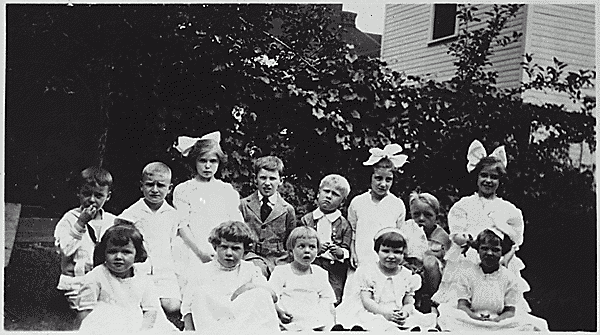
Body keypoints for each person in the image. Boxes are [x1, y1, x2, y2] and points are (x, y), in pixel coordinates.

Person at [432, 140, 531, 313]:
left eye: (494, 177)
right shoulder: (464, 205)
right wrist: (465, 239)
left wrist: (506, 259)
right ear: (476, 176)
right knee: (459, 305)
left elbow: (516, 241)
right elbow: (456, 234)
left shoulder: (509, 210)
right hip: (468, 257)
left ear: (500, 181)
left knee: (502, 305)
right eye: (484, 175)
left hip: (498, 259)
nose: (488, 180)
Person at [436, 229, 548, 331]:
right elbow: (462, 305)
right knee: (447, 314)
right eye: (484, 248)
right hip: (471, 318)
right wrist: (476, 318)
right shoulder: (466, 274)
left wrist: (496, 321)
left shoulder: (510, 278)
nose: (489, 253)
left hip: (500, 320)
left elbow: (509, 311)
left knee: (530, 323)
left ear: (502, 252)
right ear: (478, 250)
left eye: (495, 250)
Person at [180, 220, 280, 332]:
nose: (228, 253)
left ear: (245, 250)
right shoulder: (201, 271)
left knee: (260, 293)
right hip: (212, 325)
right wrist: (190, 331)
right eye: (224, 247)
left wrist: (248, 287)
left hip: (242, 324)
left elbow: (272, 295)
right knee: (200, 293)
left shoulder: (250, 269)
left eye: (235, 248)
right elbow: (187, 307)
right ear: (215, 247)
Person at [77, 224, 176, 332]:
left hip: (137, 322)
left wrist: (144, 330)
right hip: (105, 323)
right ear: (104, 253)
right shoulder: (96, 276)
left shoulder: (143, 278)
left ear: (137, 254)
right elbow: (85, 311)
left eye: (126, 252)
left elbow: (151, 309)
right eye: (112, 251)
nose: (118, 257)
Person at [335, 228, 437, 332]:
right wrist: (384, 313)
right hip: (375, 311)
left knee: (417, 323)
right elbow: (366, 300)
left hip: (396, 312)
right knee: (377, 323)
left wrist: (404, 313)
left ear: (403, 254)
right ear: (377, 251)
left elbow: (408, 302)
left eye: (397, 252)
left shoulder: (407, 276)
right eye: (385, 251)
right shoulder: (369, 272)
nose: (391, 256)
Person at [53, 166, 117, 327]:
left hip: (105, 279)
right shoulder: (69, 219)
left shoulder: (112, 221)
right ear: (78, 193)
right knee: (91, 312)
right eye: (87, 194)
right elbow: (65, 249)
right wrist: (81, 223)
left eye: (98, 195)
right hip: (78, 281)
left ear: (107, 196)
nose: (92, 200)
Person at [172, 131, 244, 268]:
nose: (207, 166)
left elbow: (236, 223)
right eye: (202, 161)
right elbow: (182, 225)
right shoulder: (184, 190)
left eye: (213, 161)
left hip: (222, 247)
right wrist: (200, 252)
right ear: (194, 161)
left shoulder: (226, 190)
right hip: (192, 248)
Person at [118, 162, 181, 316]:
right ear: (142, 186)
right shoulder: (131, 213)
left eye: (160, 185)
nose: (154, 190)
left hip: (165, 272)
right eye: (149, 185)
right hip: (141, 270)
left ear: (169, 188)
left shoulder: (173, 215)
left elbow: (175, 244)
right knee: (141, 302)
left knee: (172, 306)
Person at [349, 143, 409, 270]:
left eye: (388, 180)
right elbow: (352, 232)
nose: (383, 184)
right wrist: (352, 252)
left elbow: (398, 234)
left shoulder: (397, 204)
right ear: (370, 178)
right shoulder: (358, 202)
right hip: (361, 258)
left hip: (386, 261)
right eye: (378, 178)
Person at [268, 226, 337, 331]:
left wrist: (322, 313)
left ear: (318, 251)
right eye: (301, 246)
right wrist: (280, 311)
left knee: (328, 318)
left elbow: (327, 298)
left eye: (312, 247)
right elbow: (272, 295)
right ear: (291, 251)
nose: (307, 251)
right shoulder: (281, 272)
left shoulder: (319, 273)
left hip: (313, 316)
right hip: (289, 316)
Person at [240, 155, 296, 277]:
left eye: (272, 179)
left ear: (280, 181)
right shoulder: (244, 205)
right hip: (250, 256)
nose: (267, 183)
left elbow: (290, 241)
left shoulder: (287, 210)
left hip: (279, 259)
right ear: (255, 179)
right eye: (263, 178)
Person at [300, 174, 352, 305]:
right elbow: (298, 243)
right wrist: (314, 249)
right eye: (326, 191)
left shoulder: (344, 224)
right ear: (318, 193)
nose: (328, 196)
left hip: (334, 269)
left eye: (335, 194)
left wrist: (340, 252)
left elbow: (347, 247)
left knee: (333, 297)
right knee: (308, 294)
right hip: (311, 265)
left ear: (342, 202)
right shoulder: (307, 220)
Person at [400, 191, 451, 313]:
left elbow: (448, 263)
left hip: (432, 280)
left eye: (428, 215)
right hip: (409, 274)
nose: (421, 219)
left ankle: (433, 301)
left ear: (436, 217)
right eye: (416, 214)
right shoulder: (406, 230)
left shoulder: (443, 237)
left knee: (430, 261)